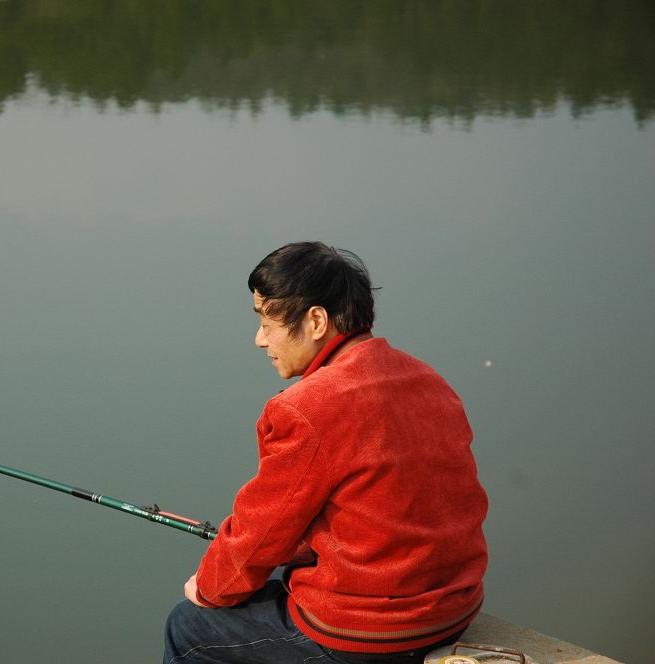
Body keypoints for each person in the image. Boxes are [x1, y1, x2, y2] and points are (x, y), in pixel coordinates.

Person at [163, 242, 488, 664]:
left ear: (316, 320)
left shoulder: (307, 408)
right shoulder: (430, 381)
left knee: (188, 624)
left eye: (267, 321)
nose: (259, 339)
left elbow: (261, 532)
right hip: (454, 609)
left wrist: (209, 587)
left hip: (373, 633)